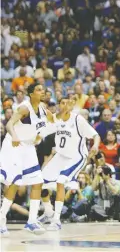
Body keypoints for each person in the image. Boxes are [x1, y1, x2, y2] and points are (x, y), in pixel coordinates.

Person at [0, 83, 55, 235]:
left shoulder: (43, 109)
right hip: (14, 145)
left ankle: (32, 221)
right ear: (31, 94)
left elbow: (48, 124)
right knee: (14, 183)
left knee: (37, 182)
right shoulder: (24, 108)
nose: (42, 91)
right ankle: (1, 218)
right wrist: (15, 136)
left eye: (42, 89)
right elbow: (10, 123)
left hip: (29, 146)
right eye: (38, 89)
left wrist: (37, 137)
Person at [38, 97, 100, 230]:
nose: (65, 105)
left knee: (60, 181)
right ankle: (49, 212)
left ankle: (56, 220)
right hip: (60, 156)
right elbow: (42, 133)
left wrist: (95, 146)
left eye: (67, 103)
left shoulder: (78, 119)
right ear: (59, 105)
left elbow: (96, 135)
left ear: (71, 106)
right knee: (39, 182)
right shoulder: (55, 118)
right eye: (62, 103)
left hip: (76, 157)